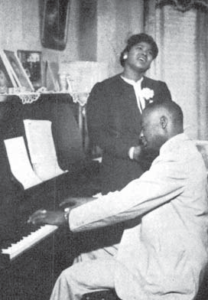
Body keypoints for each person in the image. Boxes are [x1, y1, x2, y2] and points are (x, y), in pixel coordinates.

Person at [28, 101, 208, 300]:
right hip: (165, 250)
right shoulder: (180, 153)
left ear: (163, 122)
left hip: (168, 269)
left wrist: (66, 216)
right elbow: (136, 194)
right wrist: (91, 202)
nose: (141, 135)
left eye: (144, 126)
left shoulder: (178, 160)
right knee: (86, 254)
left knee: (68, 278)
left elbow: (127, 202)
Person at [87, 33, 172, 195]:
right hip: (119, 170)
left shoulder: (160, 88)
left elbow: (168, 127)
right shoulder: (103, 89)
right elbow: (97, 133)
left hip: (154, 169)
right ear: (125, 54)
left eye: (150, 52)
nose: (145, 53)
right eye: (139, 48)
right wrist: (131, 152)